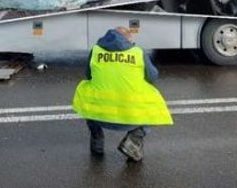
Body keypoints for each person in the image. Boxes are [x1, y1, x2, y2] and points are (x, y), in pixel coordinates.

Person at [72, 26, 173, 162]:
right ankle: (133, 140)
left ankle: (97, 141)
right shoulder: (138, 52)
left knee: (88, 90)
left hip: (98, 116)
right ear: (128, 38)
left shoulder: (96, 50)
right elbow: (153, 77)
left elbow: (88, 75)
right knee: (154, 103)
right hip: (131, 119)